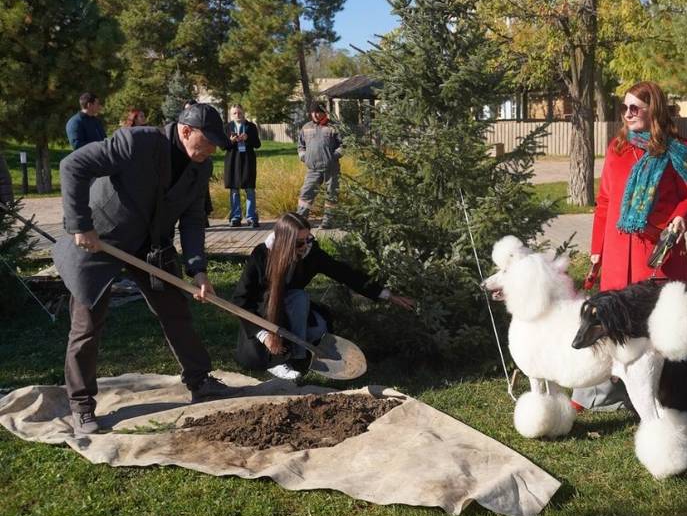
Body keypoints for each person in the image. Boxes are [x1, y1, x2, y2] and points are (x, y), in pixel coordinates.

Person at [53, 102, 235, 434]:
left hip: (151, 244)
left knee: (175, 309)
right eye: (206, 141)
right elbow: (72, 166)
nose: (211, 149)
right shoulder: (137, 142)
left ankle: (199, 380)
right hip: (100, 238)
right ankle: (81, 404)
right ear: (185, 131)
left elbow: (193, 220)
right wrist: (80, 224)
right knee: (87, 325)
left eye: (215, 144)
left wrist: (198, 271)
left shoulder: (200, 167)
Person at [572, 81, 687, 412]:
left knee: (659, 331)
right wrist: (597, 249)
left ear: (654, 110)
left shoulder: (678, 151)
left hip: (658, 257)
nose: (627, 113)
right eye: (625, 107)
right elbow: (605, 202)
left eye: (635, 107)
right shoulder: (617, 149)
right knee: (612, 323)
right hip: (618, 256)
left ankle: (667, 396)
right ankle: (598, 393)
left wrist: (680, 219)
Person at [232, 212, 415, 381]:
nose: (305, 247)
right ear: (284, 242)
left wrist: (386, 294)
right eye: (299, 243)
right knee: (297, 299)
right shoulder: (261, 256)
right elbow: (241, 301)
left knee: (316, 322)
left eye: (308, 239)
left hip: (294, 309)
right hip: (263, 315)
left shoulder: (311, 254)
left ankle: (298, 356)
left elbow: (345, 273)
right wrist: (264, 335)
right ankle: (278, 361)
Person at [296, 102, 342, 229]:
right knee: (306, 193)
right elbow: (300, 146)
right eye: (313, 112)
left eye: (318, 112)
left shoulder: (333, 126)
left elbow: (344, 145)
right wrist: (304, 157)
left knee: (331, 194)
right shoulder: (306, 127)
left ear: (324, 112)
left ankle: (328, 221)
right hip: (313, 169)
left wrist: (334, 157)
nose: (315, 115)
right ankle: (300, 221)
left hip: (331, 168)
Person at [224, 104, 261, 228]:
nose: (237, 115)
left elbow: (257, 144)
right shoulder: (228, 127)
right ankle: (236, 217)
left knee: (249, 189)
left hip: (247, 161)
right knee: (234, 190)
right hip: (233, 161)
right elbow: (223, 146)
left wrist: (248, 138)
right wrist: (231, 141)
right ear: (231, 115)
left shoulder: (251, 127)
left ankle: (251, 217)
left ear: (244, 112)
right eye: (234, 113)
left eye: (239, 113)